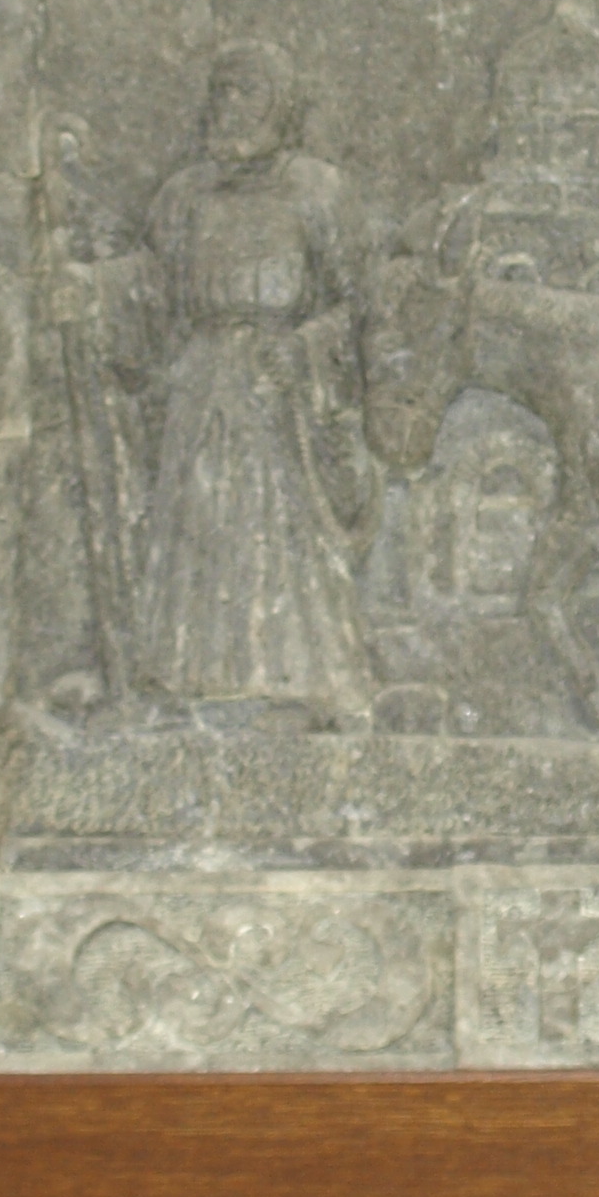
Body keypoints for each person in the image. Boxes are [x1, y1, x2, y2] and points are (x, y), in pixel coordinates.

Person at [96, 41, 377, 726]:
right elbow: (148, 283)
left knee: (281, 533)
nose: (229, 105)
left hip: (280, 391)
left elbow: (360, 303)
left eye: (247, 91)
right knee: (197, 523)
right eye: (221, 91)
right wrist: (89, 288)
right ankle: (185, 678)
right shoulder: (184, 196)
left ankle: (297, 682)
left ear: (281, 105)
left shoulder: (318, 191)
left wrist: (303, 347)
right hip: (201, 383)